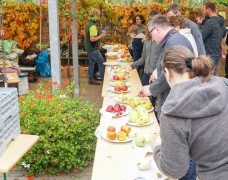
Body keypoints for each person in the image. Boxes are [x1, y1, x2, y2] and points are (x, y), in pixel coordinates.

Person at [153, 45, 228, 180]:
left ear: (168, 72)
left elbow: (174, 170)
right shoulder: (224, 84)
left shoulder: (172, 114)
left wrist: (156, 149)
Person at [139, 14, 196, 180]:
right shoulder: (173, 40)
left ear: (156, 28)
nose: (151, 38)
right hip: (178, 101)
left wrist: (152, 89)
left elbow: (172, 75)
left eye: (150, 33)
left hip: (177, 102)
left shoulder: (174, 42)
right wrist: (158, 72)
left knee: (185, 154)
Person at [127, 26, 162, 108]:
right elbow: (143, 58)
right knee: (142, 96)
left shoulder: (161, 42)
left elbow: (162, 60)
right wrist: (132, 65)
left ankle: (153, 115)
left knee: (151, 100)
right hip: (146, 74)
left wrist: (156, 73)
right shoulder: (147, 41)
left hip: (156, 76)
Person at [198, 2, 226, 75]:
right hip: (217, 52)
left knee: (207, 76)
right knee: (213, 74)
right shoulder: (222, 22)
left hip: (209, 54)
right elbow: (222, 35)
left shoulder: (210, 22)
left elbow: (200, 36)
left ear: (208, 10)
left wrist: (199, 25)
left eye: (204, 10)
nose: (203, 12)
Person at [84, 8, 106, 85]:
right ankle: (104, 80)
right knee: (101, 62)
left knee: (91, 63)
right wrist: (101, 36)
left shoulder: (88, 23)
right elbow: (92, 39)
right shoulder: (92, 26)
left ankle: (91, 79)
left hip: (89, 48)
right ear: (96, 15)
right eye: (98, 15)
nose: (99, 17)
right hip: (93, 49)